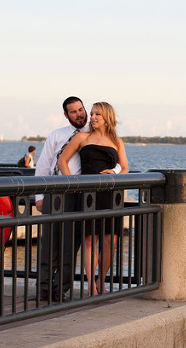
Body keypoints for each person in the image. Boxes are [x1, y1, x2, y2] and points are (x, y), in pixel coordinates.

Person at [58, 101, 128, 296]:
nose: (93, 117)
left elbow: (125, 168)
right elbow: (62, 161)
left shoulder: (117, 141)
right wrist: (72, 183)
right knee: (90, 240)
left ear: (107, 118)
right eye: (92, 113)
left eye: (98, 114)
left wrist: (114, 174)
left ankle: (101, 279)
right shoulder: (82, 137)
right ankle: (91, 286)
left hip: (111, 196)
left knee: (110, 241)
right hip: (88, 194)